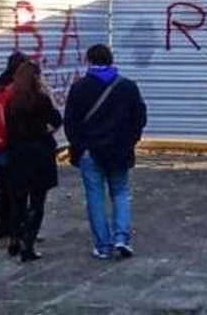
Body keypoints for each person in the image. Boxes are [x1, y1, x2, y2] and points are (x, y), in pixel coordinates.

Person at [64, 44, 147, 260]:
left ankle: (103, 246)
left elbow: (71, 123)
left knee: (95, 197)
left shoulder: (79, 88)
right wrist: (130, 141)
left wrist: (78, 146)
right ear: (111, 60)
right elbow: (139, 118)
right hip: (119, 150)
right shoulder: (127, 87)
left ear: (89, 61)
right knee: (120, 192)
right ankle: (122, 238)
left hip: (90, 152)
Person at [4, 60, 61, 262]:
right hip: (39, 154)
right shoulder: (41, 100)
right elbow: (56, 120)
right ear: (36, 78)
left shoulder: (11, 101)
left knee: (17, 199)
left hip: (17, 154)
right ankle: (28, 242)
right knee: (37, 201)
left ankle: (14, 239)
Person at [0, 51, 28, 247]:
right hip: (17, 144)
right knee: (19, 190)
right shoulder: (19, 89)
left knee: (2, 188)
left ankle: (1, 231)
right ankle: (19, 229)